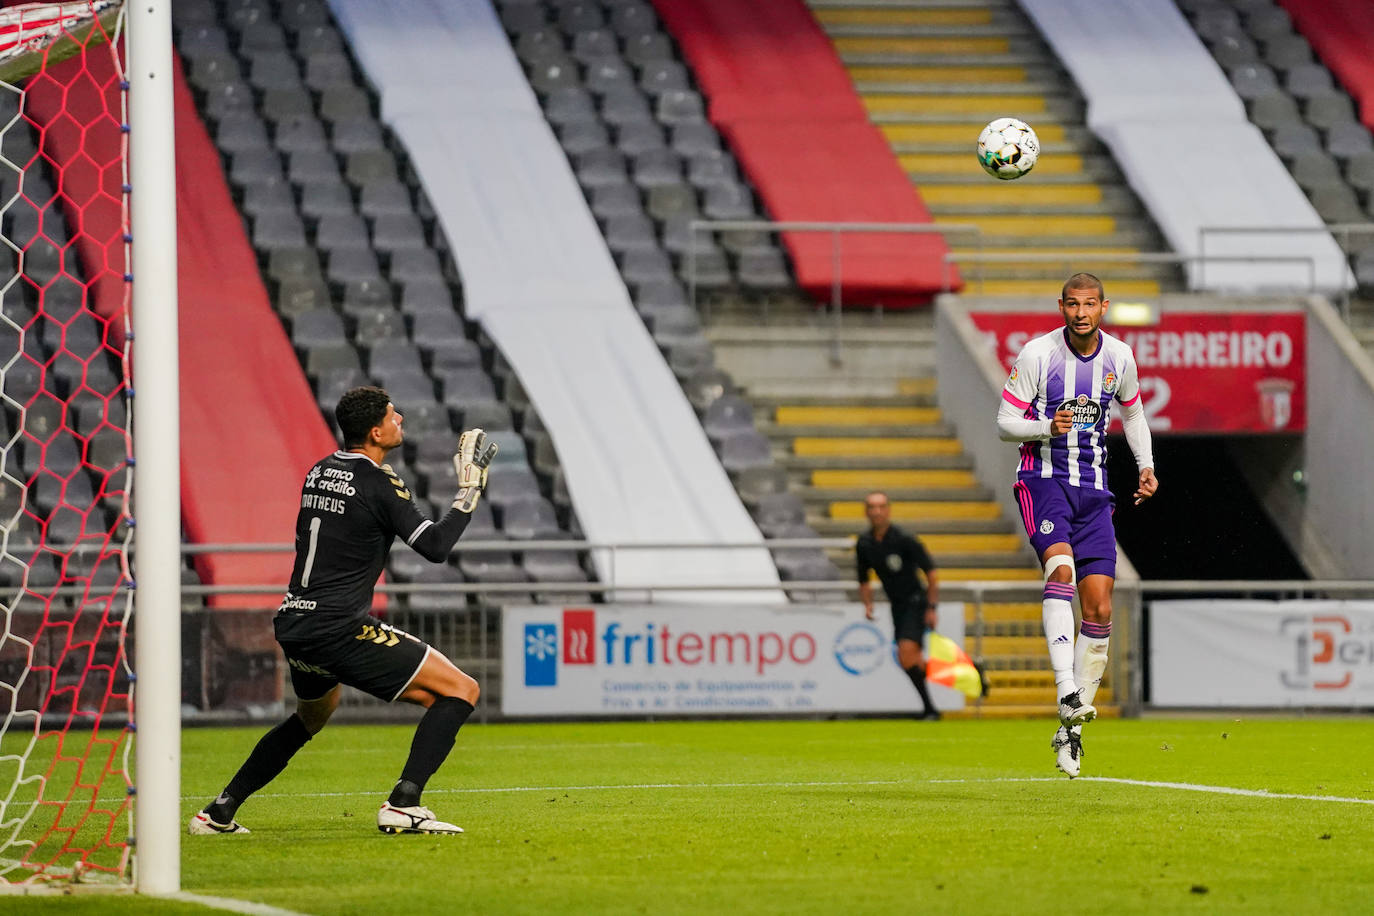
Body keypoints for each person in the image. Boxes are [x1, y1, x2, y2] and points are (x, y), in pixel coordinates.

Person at [188, 386, 497, 836]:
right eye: (394, 416)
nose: (401, 420)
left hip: (295, 622)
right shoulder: (379, 481)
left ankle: (218, 811)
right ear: (375, 431)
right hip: (337, 628)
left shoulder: (319, 470)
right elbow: (434, 546)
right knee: (462, 690)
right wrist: (468, 491)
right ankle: (403, 803)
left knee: (311, 717)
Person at [996, 273, 1157, 778]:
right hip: (1044, 480)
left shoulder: (1120, 357)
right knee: (1060, 572)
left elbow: (1132, 414)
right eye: (1073, 304)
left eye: (1090, 304)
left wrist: (1146, 464)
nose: (1081, 312)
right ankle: (1067, 687)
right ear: (1061, 306)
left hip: (1094, 490)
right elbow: (1005, 422)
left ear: (1103, 307)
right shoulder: (1037, 355)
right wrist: (1048, 425)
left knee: (1102, 607)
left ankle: (1072, 730)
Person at [855, 490, 942, 720]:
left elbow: (931, 573)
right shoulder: (864, 543)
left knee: (905, 653)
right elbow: (863, 578)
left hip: (915, 601)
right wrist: (867, 605)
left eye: (881, 506)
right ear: (866, 512)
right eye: (872, 507)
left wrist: (932, 607)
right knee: (911, 659)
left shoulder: (905, 539)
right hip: (897, 605)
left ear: (888, 510)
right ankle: (968, 672)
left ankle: (930, 710)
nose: (877, 512)